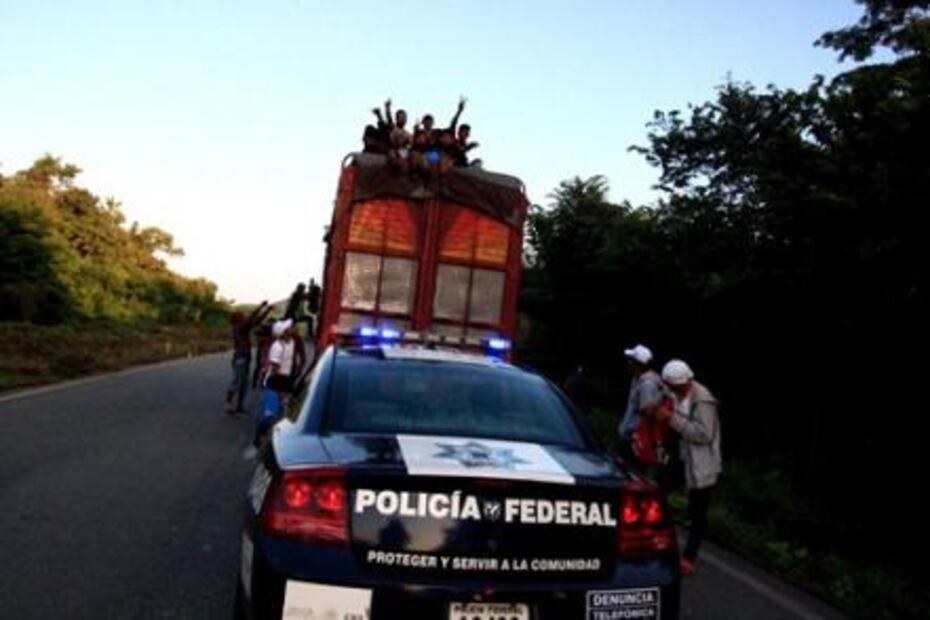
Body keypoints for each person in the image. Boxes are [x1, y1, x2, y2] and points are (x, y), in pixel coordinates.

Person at [656, 359, 721, 576]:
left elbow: (704, 435)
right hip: (679, 457)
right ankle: (659, 540)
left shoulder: (703, 400)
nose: (670, 388)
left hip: (701, 464)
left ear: (685, 382)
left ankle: (689, 556)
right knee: (659, 494)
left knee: (698, 511)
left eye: (673, 386)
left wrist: (672, 419)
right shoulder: (671, 391)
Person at [618, 345, 666, 468]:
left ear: (639, 364)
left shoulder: (647, 384)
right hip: (629, 436)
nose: (628, 362)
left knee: (633, 472)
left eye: (631, 360)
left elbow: (648, 412)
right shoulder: (637, 378)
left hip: (636, 440)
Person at [226, 301, 272, 414]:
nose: (244, 317)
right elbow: (251, 318)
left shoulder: (243, 328)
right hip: (240, 358)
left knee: (244, 384)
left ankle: (239, 406)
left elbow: (256, 320)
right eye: (242, 317)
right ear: (237, 319)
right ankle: (228, 404)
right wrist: (261, 307)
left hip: (245, 358)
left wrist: (267, 310)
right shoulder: (238, 328)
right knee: (237, 382)